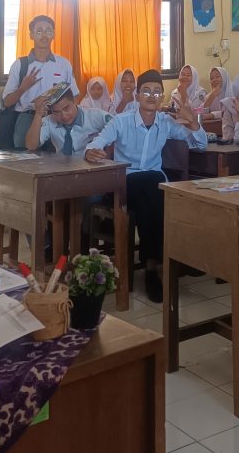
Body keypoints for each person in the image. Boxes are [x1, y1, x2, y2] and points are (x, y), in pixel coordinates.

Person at [85, 69, 208, 302]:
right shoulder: (121, 121)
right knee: (153, 181)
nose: (151, 96)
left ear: (162, 96)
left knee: (149, 195)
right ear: (137, 95)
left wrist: (192, 121)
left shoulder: (166, 122)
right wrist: (92, 150)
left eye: (156, 92)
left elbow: (199, 144)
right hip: (124, 184)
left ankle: (151, 268)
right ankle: (166, 260)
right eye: (146, 91)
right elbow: (98, 141)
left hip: (150, 191)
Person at [2, 15, 78, 149]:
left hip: (56, 119)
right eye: (39, 31)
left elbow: (74, 96)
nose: (44, 35)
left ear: (53, 34)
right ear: (31, 35)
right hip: (27, 119)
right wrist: (23, 88)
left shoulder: (63, 64)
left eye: (48, 31)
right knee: (25, 161)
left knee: (57, 162)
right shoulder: (20, 65)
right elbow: (7, 102)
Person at [26, 87, 111, 155]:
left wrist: (107, 156)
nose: (63, 115)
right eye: (57, 112)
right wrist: (38, 114)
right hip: (62, 168)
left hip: (91, 166)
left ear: (75, 102)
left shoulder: (95, 116)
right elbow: (31, 146)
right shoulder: (49, 121)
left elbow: (119, 130)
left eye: (66, 108)